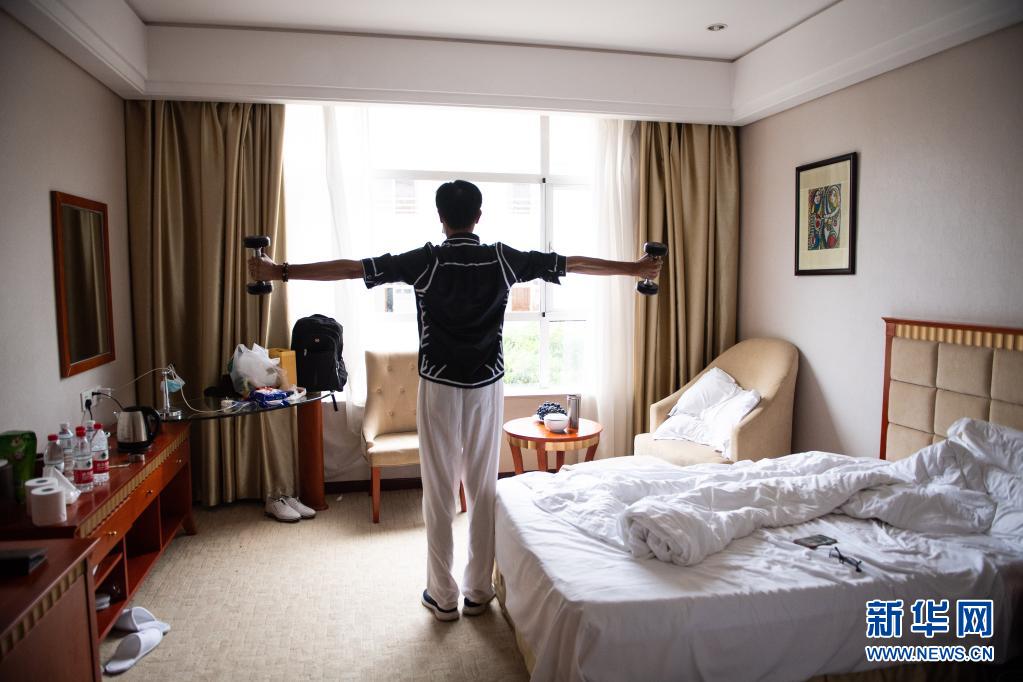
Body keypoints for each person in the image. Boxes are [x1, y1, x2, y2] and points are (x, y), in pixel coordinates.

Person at [249, 180, 661, 621]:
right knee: (483, 488)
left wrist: (279, 272)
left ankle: (443, 597)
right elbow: (571, 263)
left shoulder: (427, 260)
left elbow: (353, 269)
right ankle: (478, 592)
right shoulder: (501, 258)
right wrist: (636, 268)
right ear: (478, 217)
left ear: (441, 217)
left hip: (439, 387)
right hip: (486, 386)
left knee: (439, 491)